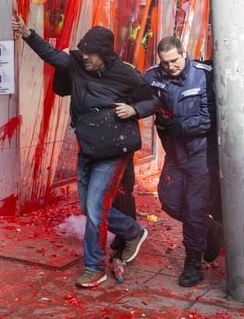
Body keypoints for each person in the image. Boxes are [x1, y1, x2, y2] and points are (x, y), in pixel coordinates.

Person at [12, 18, 157, 288]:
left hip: (113, 150)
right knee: (88, 208)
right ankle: (133, 231)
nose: (85, 57)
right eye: (84, 52)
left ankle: (94, 267)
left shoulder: (126, 75)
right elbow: (51, 55)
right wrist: (28, 33)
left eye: (91, 53)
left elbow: (153, 100)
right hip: (88, 148)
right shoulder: (77, 64)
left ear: (104, 54)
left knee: (96, 208)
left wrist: (135, 110)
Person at [144, 36, 220, 287]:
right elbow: (141, 97)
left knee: (195, 209)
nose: (170, 66)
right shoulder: (153, 76)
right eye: (165, 62)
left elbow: (212, 118)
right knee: (170, 202)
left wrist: (181, 126)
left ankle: (193, 263)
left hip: (201, 154)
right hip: (175, 154)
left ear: (184, 53)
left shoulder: (203, 75)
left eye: (174, 60)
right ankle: (210, 229)